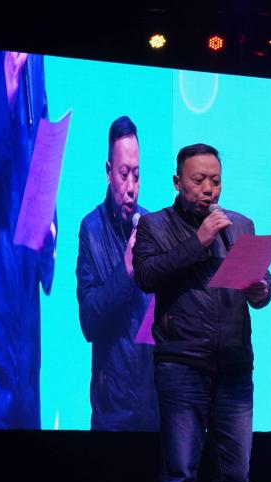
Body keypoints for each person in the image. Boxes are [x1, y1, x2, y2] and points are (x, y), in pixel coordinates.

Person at [132, 143, 271, 482]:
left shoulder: (241, 225)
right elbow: (147, 275)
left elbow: (262, 288)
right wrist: (198, 242)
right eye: (198, 180)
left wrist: (262, 287)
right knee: (179, 478)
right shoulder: (154, 225)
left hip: (233, 367)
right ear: (177, 182)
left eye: (215, 180)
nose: (208, 189)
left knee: (237, 479)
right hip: (181, 366)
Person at [0, 49, 55, 429]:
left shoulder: (35, 59)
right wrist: (4, 90)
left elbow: (42, 151)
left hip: (24, 310)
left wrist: (50, 231)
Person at [76, 116, 159, 431]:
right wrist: (125, 269)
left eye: (137, 175)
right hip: (111, 412)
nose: (131, 188)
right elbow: (88, 321)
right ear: (109, 172)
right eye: (124, 175)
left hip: (154, 408)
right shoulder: (91, 230)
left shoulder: (153, 226)